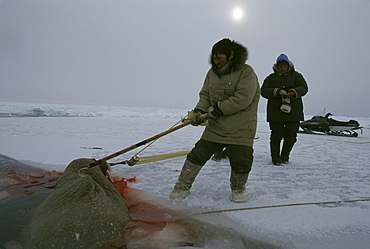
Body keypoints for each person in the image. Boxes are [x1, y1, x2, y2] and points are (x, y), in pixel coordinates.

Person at [170, 38, 260, 203]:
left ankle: (238, 189)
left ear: (231, 55)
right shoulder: (212, 74)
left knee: (242, 161)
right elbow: (205, 95)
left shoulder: (246, 72)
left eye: (219, 57)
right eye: (214, 57)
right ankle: (182, 186)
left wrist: (218, 108)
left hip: (241, 127)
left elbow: (243, 98)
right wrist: (198, 111)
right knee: (197, 155)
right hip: (216, 126)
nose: (216, 61)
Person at [261, 53, 308, 165]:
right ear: (277, 66)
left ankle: (285, 156)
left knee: (291, 136)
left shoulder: (297, 76)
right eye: (280, 66)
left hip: (294, 112)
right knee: (276, 135)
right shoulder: (271, 78)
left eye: (284, 65)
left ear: (288, 65)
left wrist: (293, 93)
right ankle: (275, 157)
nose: (282, 68)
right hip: (275, 113)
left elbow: (304, 88)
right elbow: (263, 91)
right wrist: (276, 91)